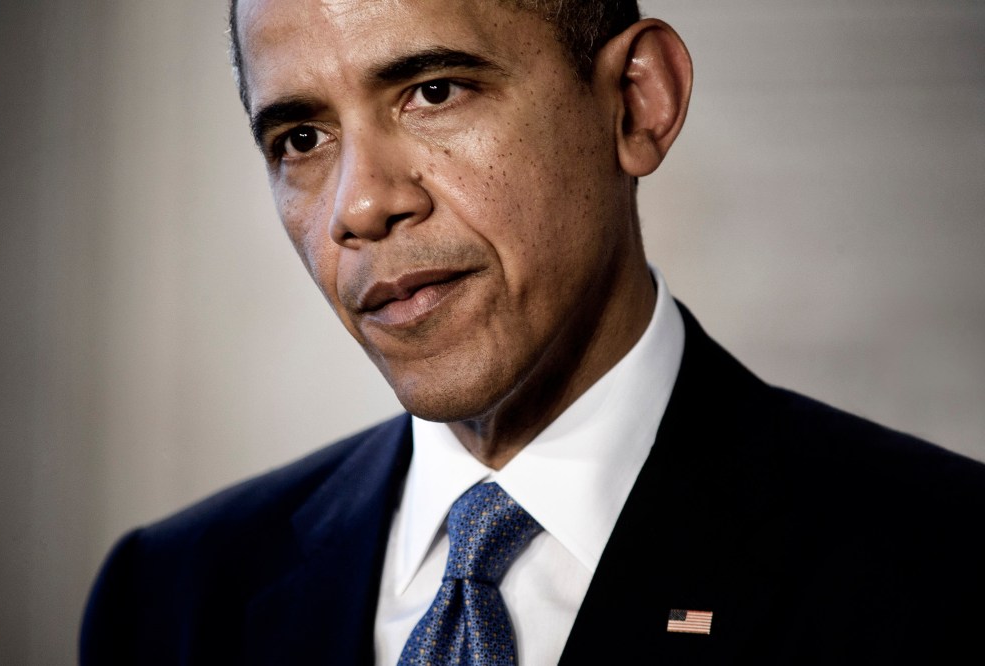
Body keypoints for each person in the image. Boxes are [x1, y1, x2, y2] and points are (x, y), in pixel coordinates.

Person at [80, 1, 985, 664]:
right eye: (302, 139)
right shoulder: (169, 599)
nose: (359, 204)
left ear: (637, 102)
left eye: (433, 91)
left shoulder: (946, 568)